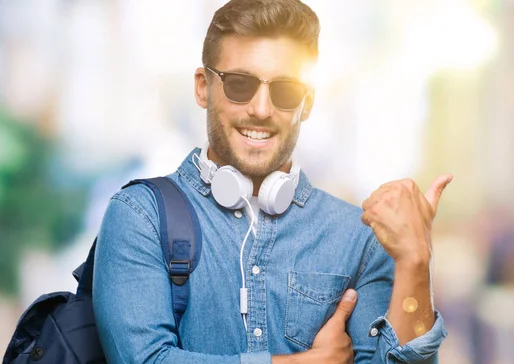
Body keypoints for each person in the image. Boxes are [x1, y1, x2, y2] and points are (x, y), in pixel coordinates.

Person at [92, 0, 452, 363]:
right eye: (239, 84)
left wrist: (415, 262)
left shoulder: (360, 239)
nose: (261, 110)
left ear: (307, 103)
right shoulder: (141, 217)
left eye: (285, 90)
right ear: (203, 88)